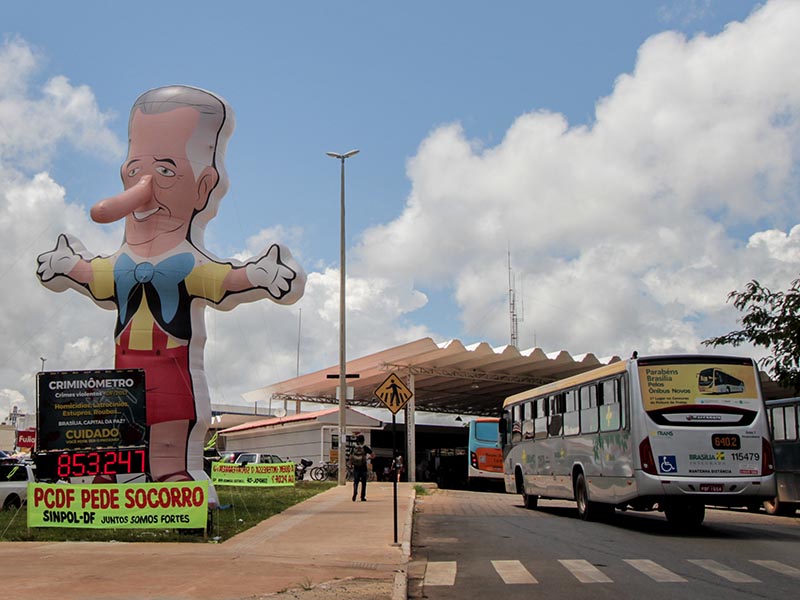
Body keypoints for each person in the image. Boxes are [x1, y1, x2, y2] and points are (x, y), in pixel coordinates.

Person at [36, 85, 306, 490]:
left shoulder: (189, 265)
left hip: (173, 359)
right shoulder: (120, 263)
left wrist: (260, 275)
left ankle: (172, 474)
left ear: (204, 186)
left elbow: (227, 280)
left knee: (171, 418)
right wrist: (64, 265)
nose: (144, 186)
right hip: (124, 367)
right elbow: (92, 275)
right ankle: (114, 470)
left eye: (165, 170)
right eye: (135, 169)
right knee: (120, 418)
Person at [349, 434, 374, 501]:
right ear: (363, 440)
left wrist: (351, 464)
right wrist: (367, 458)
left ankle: (355, 492)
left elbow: (350, 456)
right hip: (363, 467)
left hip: (356, 467)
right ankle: (362, 497)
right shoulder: (365, 447)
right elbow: (373, 455)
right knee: (363, 482)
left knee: (356, 481)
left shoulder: (354, 447)